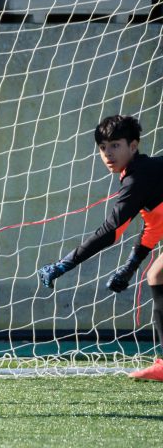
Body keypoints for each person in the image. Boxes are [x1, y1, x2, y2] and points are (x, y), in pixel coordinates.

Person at [38, 114, 163, 381]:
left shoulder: (137, 178)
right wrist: (130, 267)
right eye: (103, 147)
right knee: (158, 275)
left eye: (115, 145)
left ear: (133, 146)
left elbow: (110, 231)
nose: (108, 153)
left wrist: (64, 264)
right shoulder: (143, 174)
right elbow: (156, 223)